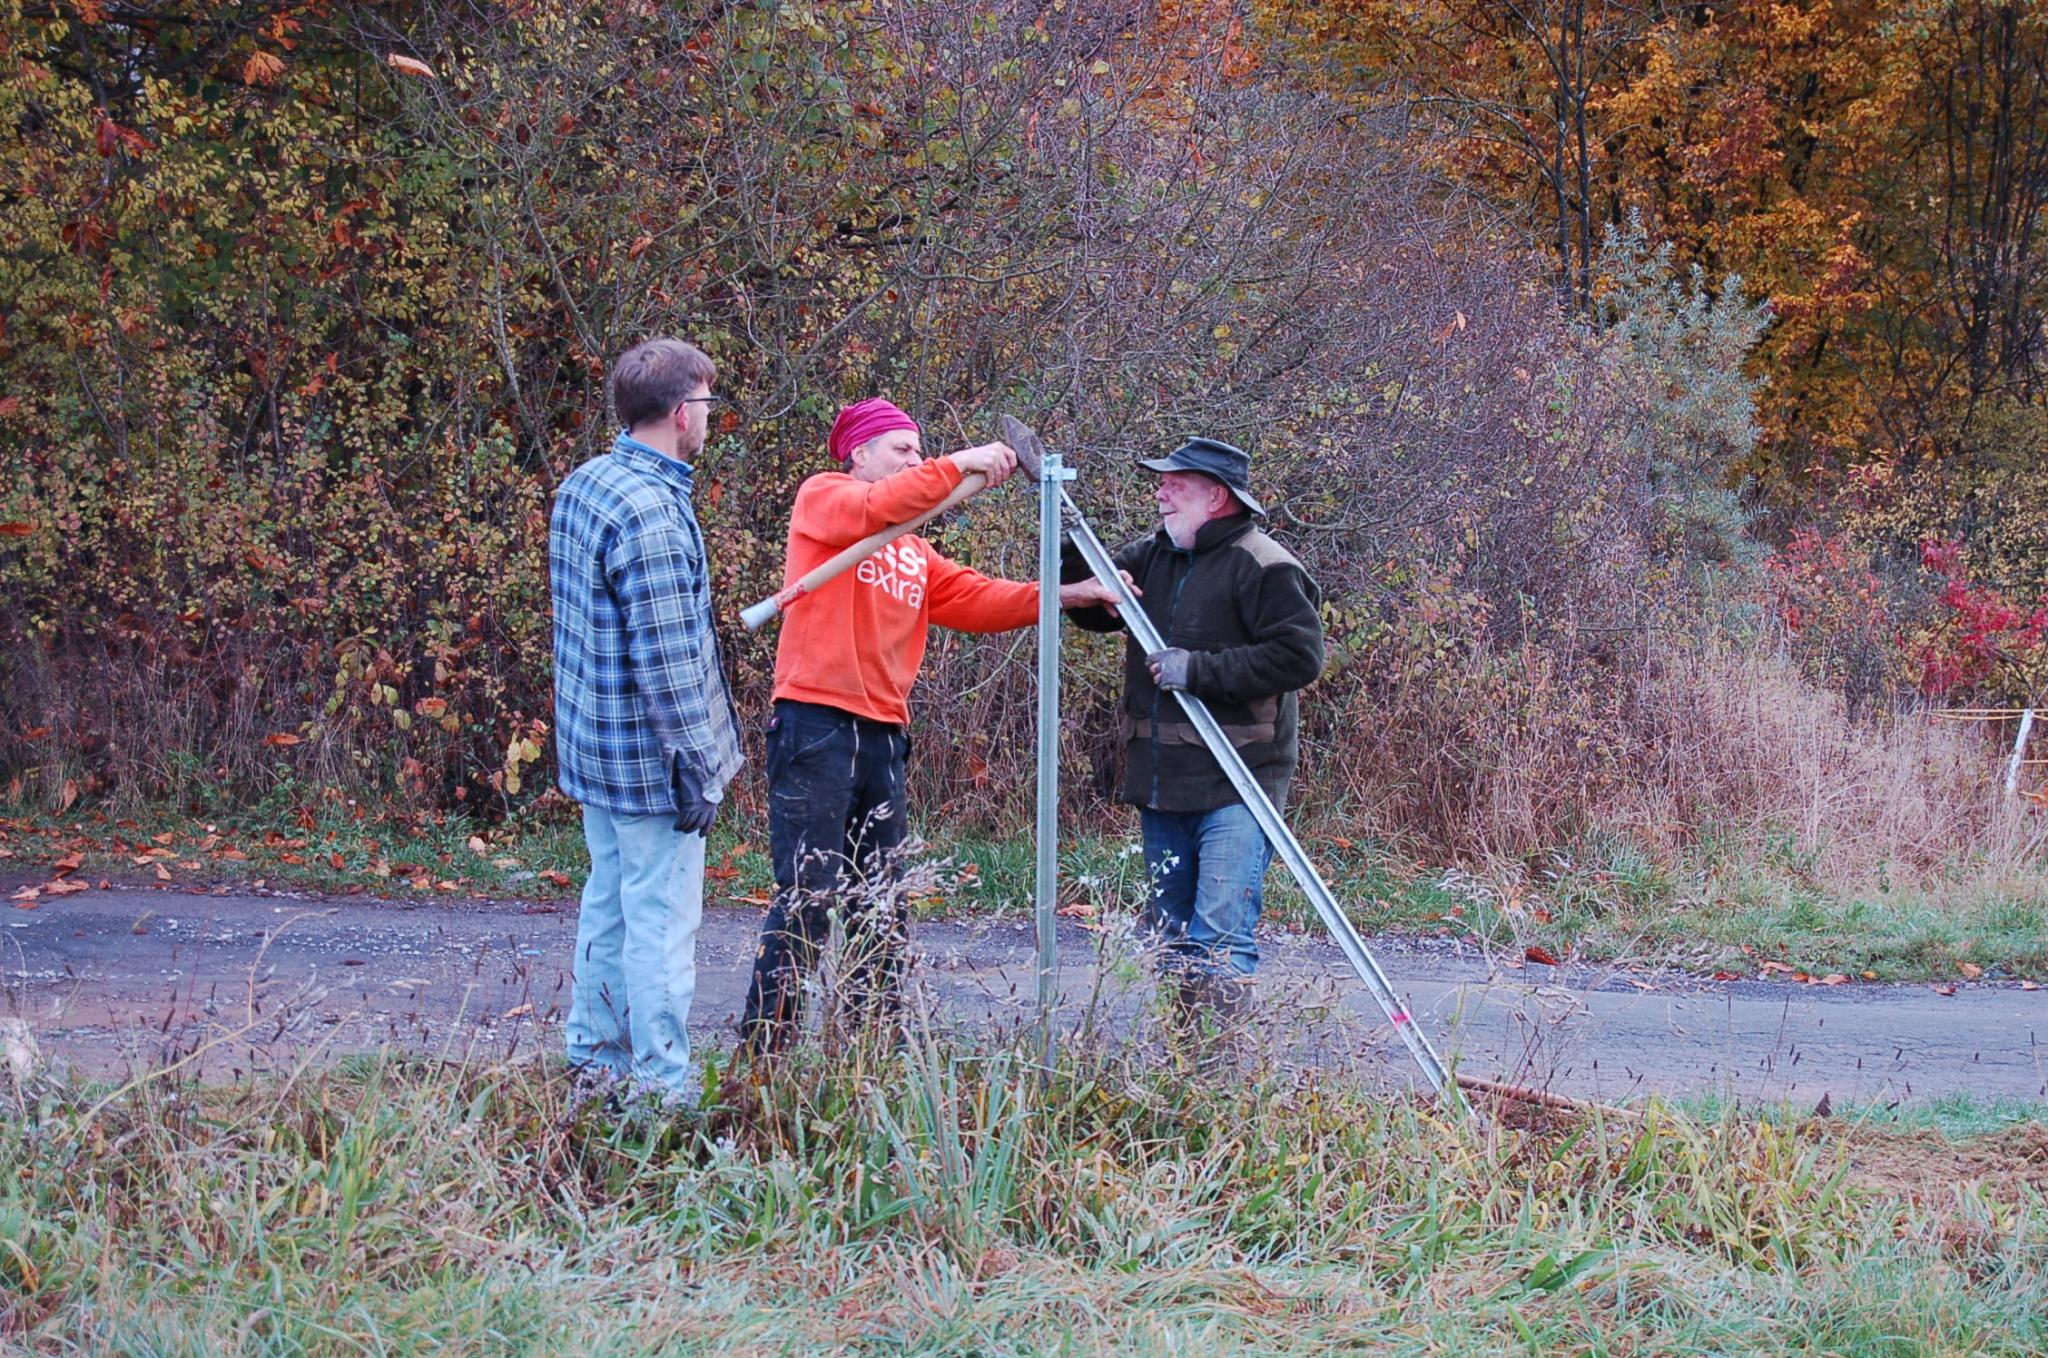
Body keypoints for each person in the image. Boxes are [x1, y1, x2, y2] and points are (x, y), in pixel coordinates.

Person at [739, 397, 1124, 1052]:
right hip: (815, 723)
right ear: (860, 454)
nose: (916, 459)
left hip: (883, 734)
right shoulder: (825, 500)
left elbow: (975, 597)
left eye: (921, 450)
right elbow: (872, 510)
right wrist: (960, 463)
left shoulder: (912, 550)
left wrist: (1066, 596)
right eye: (903, 449)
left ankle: (869, 1051)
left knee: (881, 902)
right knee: (809, 894)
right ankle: (764, 1059)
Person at [1064, 437, 1323, 1022]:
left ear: (1217, 497)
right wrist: (1072, 542)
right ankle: (1186, 1073)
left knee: (1219, 938)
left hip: (1240, 782)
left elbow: (1298, 658)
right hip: (1162, 782)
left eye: (1175, 484)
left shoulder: (1267, 566)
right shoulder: (1156, 554)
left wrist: (1199, 670)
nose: (1160, 492)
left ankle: (1219, 1083)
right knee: (1174, 937)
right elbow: (1085, 607)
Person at [549, 337, 743, 1102]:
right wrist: (698, 767)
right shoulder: (653, 514)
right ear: (675, 413)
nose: (709, 418)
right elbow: (665, 662)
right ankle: (662, 1089)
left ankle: (594, 1064)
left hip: (594, 750)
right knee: (661, 925)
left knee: (609, 905)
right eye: (704, 404)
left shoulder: (586, 484)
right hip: (649, 763)